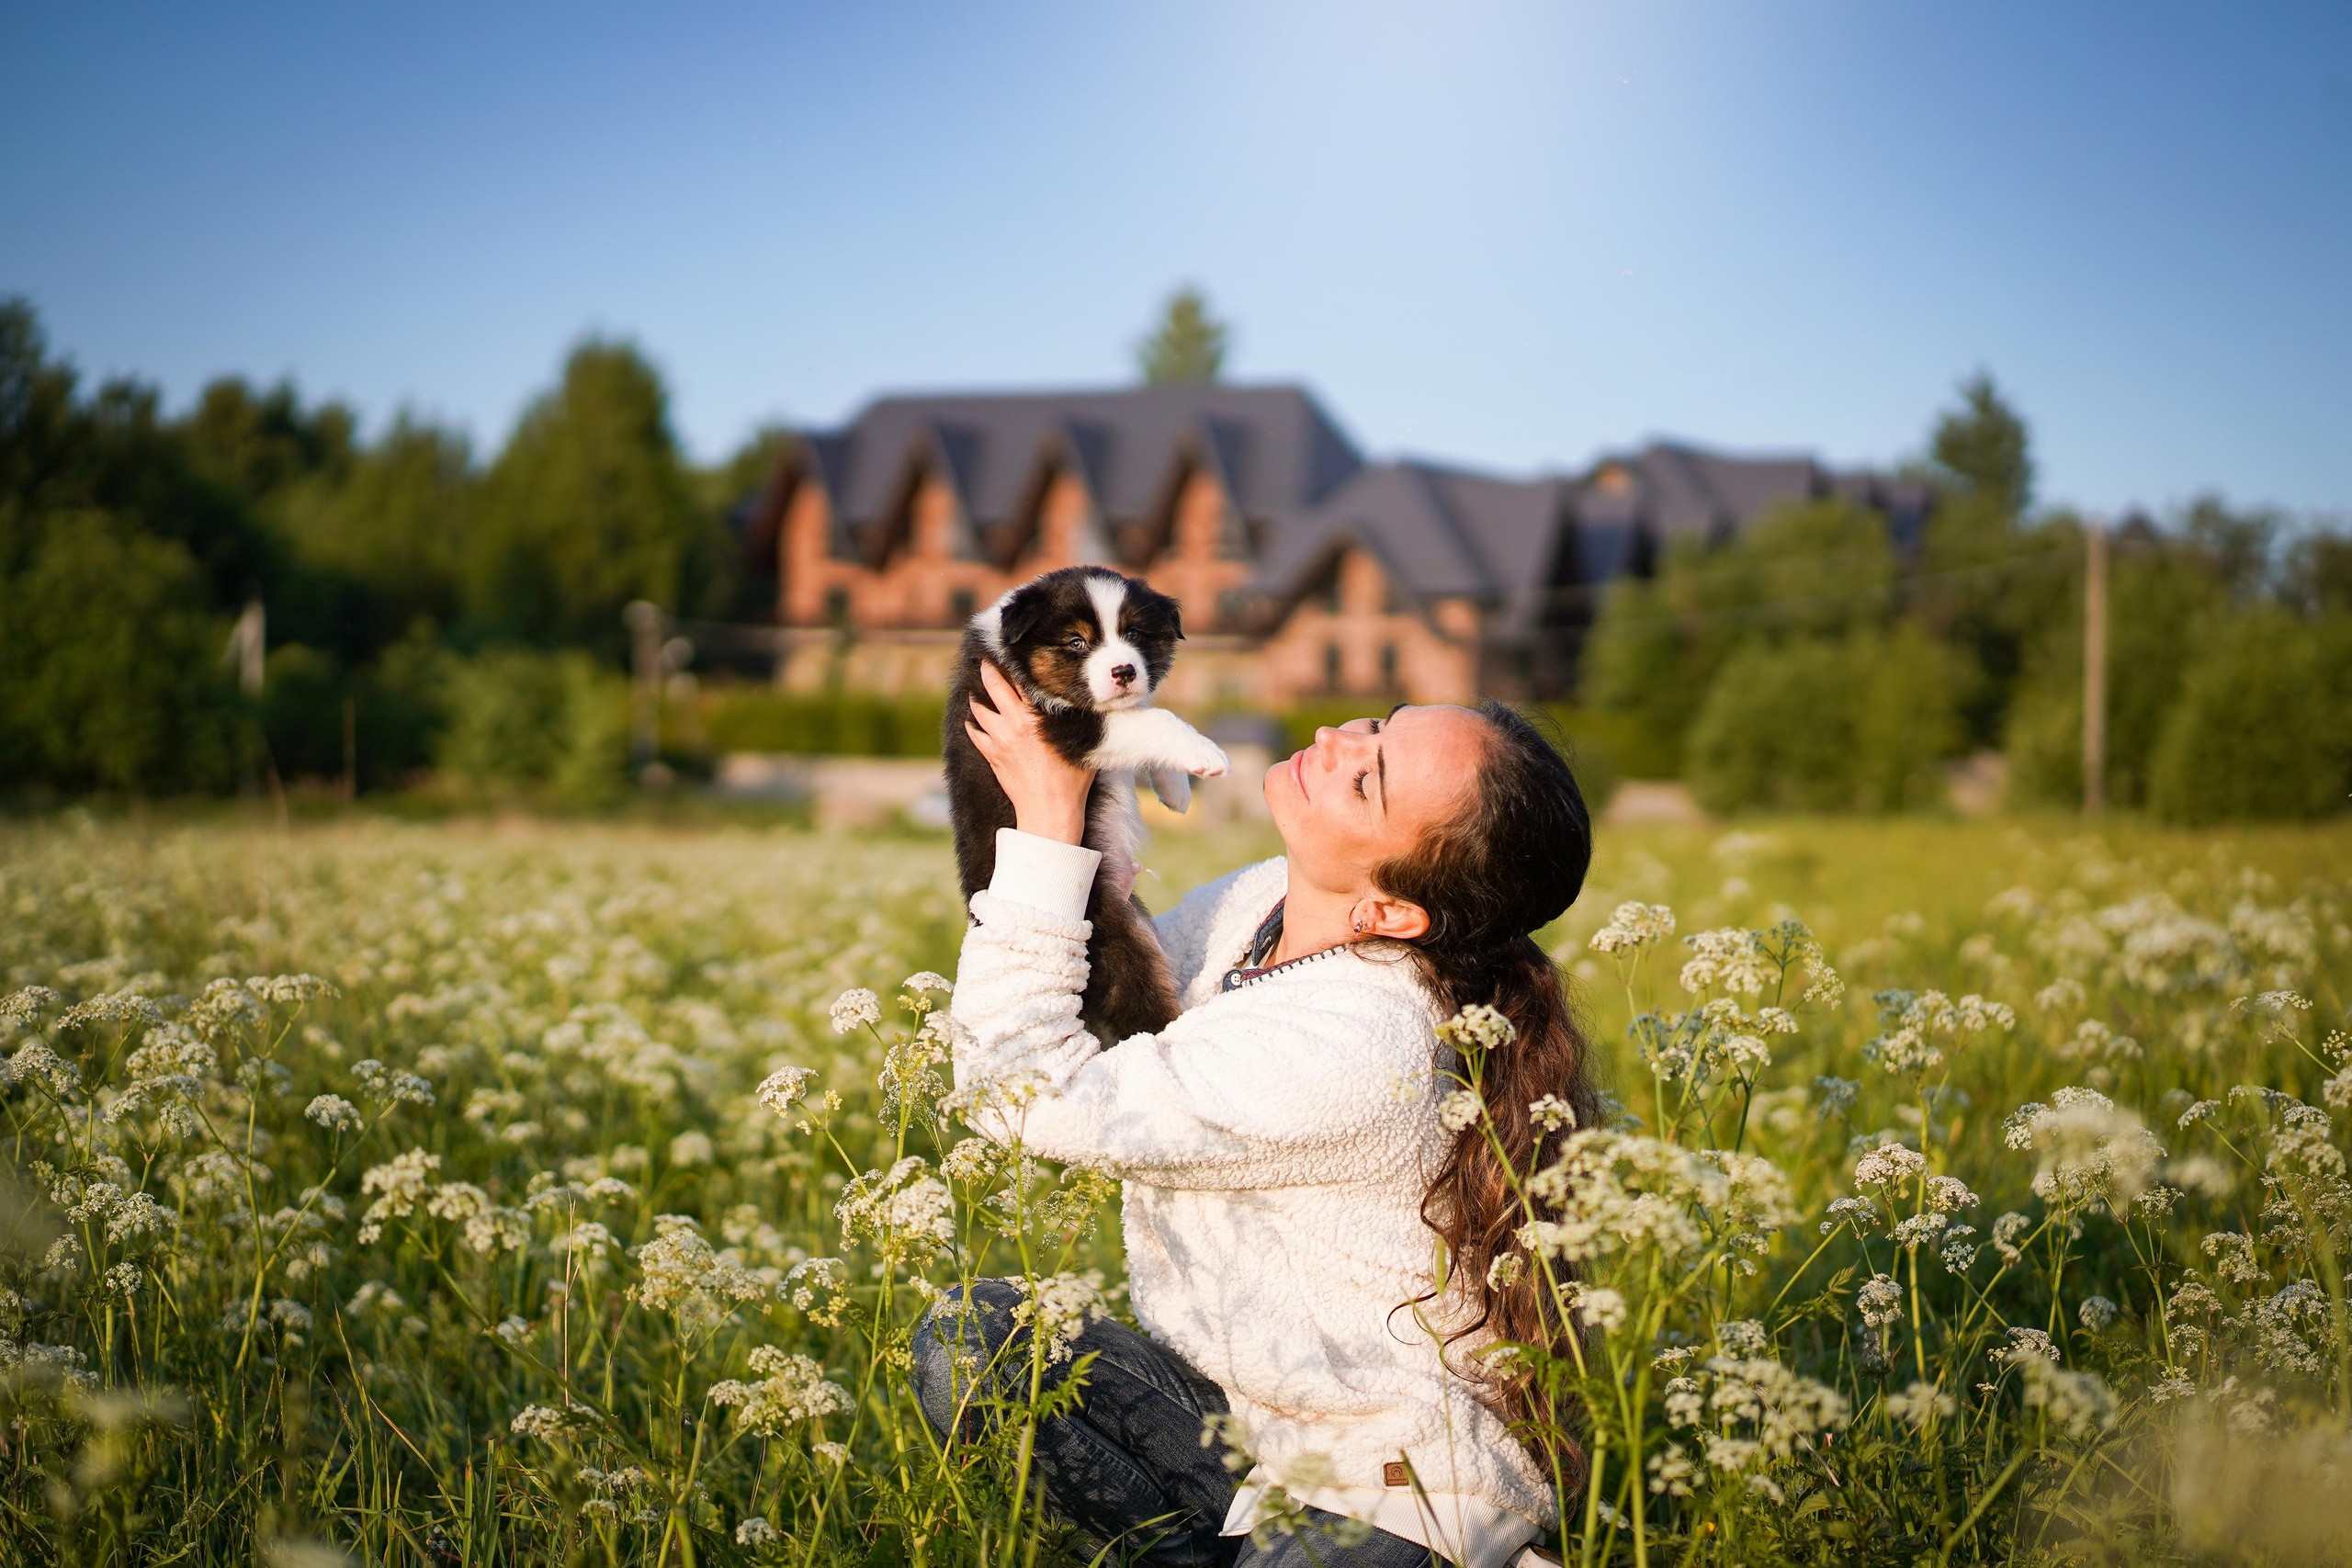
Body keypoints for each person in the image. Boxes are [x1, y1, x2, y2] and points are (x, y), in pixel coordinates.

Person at [913, 661, 1599, 1568]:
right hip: (1251, 1427)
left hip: (1390, 1490)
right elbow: (1116, 991)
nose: (1338, 739)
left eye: (1368, 777)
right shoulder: (1262, 904)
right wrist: (1079, 796)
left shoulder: (1359, 1043)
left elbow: (1024, 1095)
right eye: (1380, 724)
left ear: (1388, 909)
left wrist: (1047, 825)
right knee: (977, 1340)